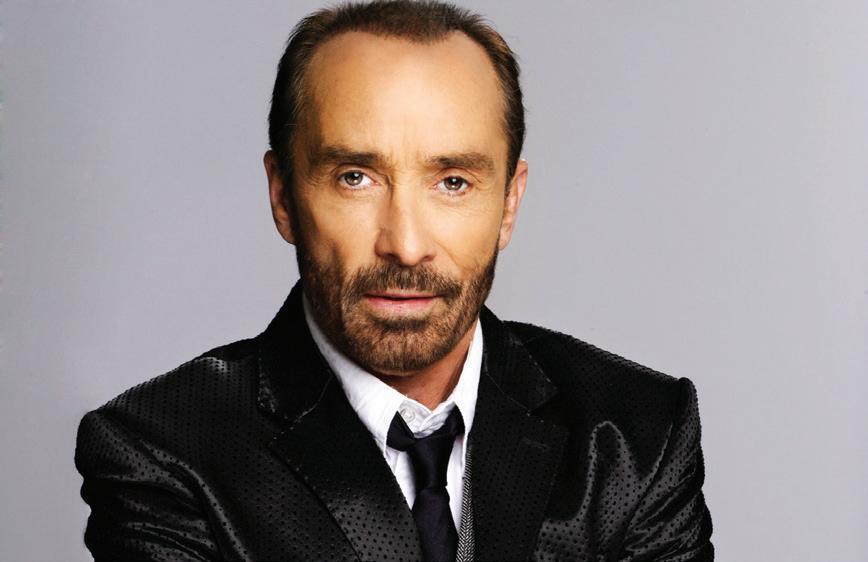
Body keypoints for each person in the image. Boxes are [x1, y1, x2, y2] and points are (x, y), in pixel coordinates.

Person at [74, 1, 714, 560]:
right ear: (283, 196)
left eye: (453, 182)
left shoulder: (637, 434)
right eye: (355, 177)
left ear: (509, 204)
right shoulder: (162, 449)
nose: (405, 245)